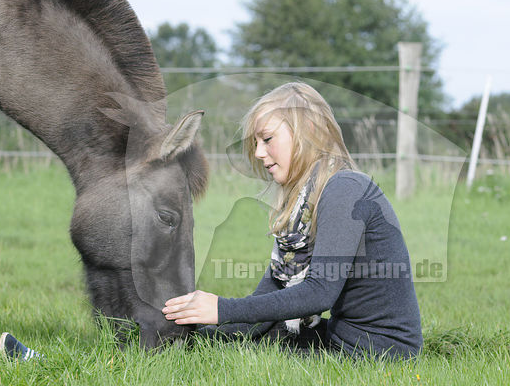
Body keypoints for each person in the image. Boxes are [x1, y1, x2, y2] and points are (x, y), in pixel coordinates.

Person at [162, 82, 423, 360]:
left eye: (267, 139)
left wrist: (221, 309)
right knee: (257, 336)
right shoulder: (302, 207)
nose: (259, 153)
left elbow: (319, 294)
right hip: (343, 336)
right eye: (256, 143)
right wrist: (191, 328)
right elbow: (263, 306)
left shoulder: (345, 189)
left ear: (308, 131)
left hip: (381, 351)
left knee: (260, 352)